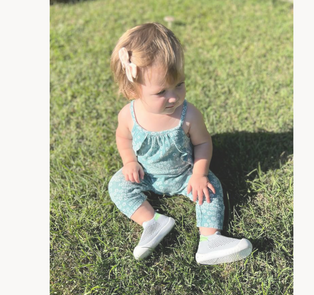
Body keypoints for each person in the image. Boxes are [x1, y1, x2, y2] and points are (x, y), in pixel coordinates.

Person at [108, 22, 252, 265]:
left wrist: (199, 174)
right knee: (117, 185)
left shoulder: (189, 115)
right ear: (133, 89)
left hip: (185, 175)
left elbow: (203, 143)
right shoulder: (128, 115)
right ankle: (152, 222)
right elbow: (123, 138)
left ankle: (210, 240)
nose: (173, 97)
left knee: (211, 188)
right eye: (161, 91)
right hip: (147, 174)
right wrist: (130, 161)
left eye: (179, 85)